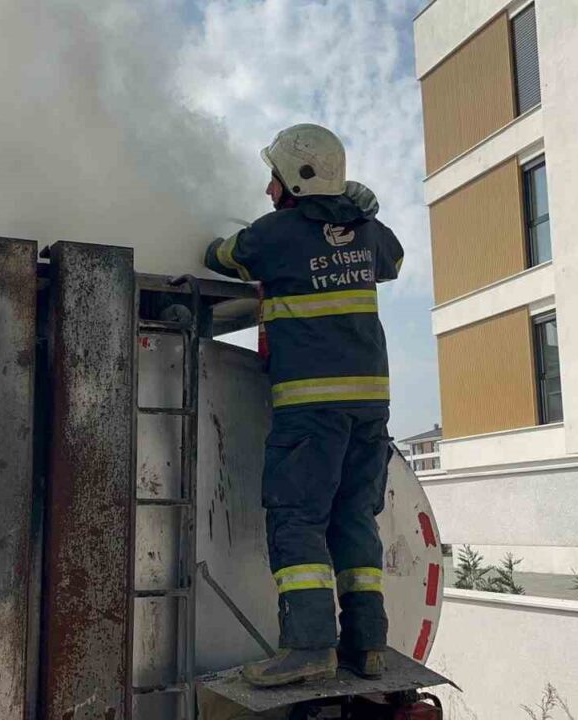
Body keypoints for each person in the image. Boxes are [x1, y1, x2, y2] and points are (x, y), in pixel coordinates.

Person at [203, 123, 404, 688]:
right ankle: (368, 645)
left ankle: (311, 647)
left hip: (312, 409)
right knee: (354, 519)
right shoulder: (368, 230)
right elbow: (391, 259)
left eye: (274, 178)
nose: (268, 190)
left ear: (296, 178)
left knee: (297, 520)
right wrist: (356, 209)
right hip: (370, 409)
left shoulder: (274, 234)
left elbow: (219, 255)